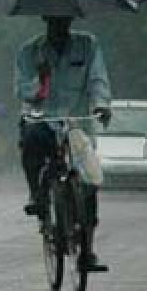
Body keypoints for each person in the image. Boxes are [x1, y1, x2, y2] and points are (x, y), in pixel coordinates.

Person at [14, 15, 112, 270]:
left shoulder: (87, 45)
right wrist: (42, 79)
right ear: (46, 20)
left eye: (64, 20)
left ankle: (87, 251)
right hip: (42, 119)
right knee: (31, 142)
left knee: (89, 183)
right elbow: (22, 89)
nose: (60, 26)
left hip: (76, 123)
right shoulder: (29, 52)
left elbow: (97, 78)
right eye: (54, 21)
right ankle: (37, 194)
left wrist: (101, 104)